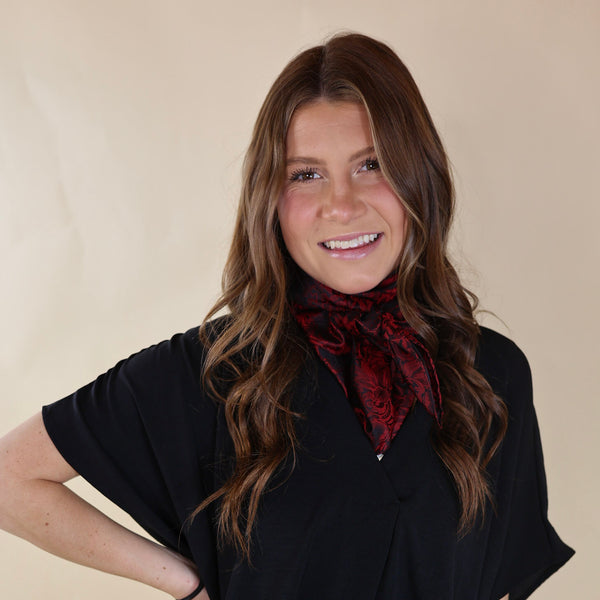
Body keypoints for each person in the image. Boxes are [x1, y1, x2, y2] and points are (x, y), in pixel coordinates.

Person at [0, 32, 573, 600]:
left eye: (372, 164)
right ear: (269, 199)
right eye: (305, 174)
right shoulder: (211, 372)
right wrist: (186, 582)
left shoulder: (491, 374)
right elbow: (10, 477)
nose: (342, 204)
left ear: (419, 179)